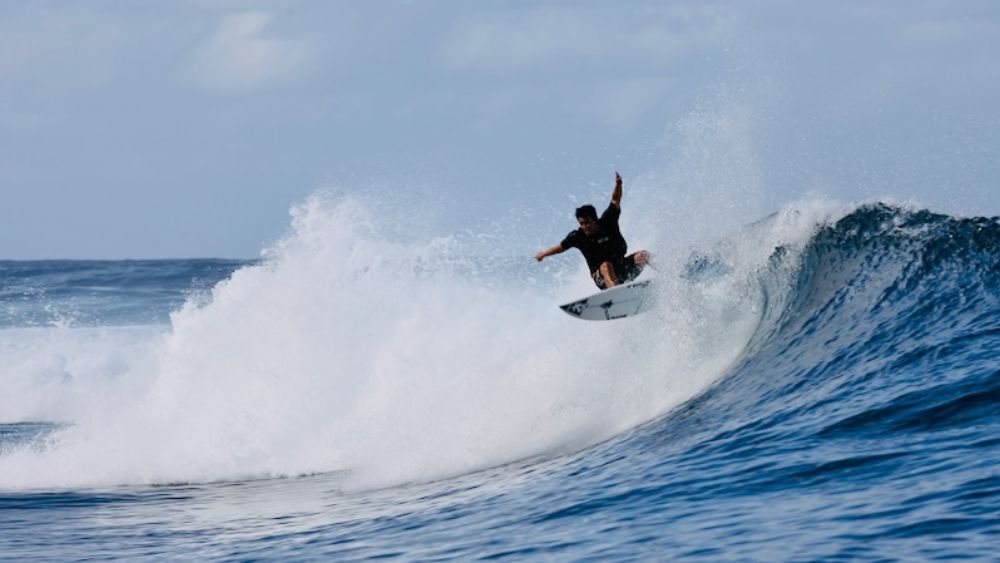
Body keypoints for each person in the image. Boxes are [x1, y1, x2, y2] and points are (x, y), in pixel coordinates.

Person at [535, 172, 649, 289]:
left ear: (595, 219)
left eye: (588, 222)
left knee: (643, 255)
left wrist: (618, 184)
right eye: (582, 224)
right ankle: (616, 293)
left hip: (622, 268)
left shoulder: (608, 221)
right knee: (606, 266)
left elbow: (615, 200)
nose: (585, 226)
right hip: (601, 277)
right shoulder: (577, 236)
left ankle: (666, 276)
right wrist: (543, 254)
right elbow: (559, 248)